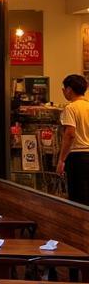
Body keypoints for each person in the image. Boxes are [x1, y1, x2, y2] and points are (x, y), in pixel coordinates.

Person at [58, 74, 89, 203]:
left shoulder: (71, 108)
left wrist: (61, 160)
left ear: (69, 89)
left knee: (78, 197)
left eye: (64, 89)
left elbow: (70, 134)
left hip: (78, 157)